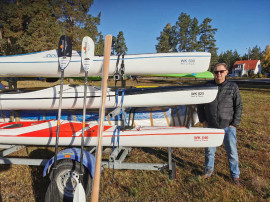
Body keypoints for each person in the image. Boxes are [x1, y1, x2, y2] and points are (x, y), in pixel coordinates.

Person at [197, 63, 242, 185]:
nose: (219, 74)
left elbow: (238, 106)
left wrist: (234, 124)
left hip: (228, 127)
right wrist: (203, 121)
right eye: (216, 72)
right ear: (213, 73)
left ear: (227, 72)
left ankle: (235, 176)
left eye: (221, 71)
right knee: (209, 151)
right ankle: (208, 172)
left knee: (232, 152)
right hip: (211, 126)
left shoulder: (233, 87)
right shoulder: (207, 86)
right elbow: (200, 105)